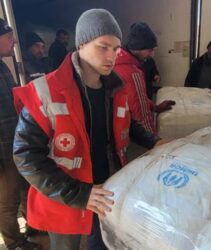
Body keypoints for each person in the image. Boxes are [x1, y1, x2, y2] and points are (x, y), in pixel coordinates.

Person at [12, 9, 162, 250]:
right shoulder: (46, 92)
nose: (111, 56)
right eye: (103, 47)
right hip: (65, 197)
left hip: (107, 189)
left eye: (115, 49)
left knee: (102, 243)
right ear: (81, 44)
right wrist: (79, 194)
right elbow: (26, 156)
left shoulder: (115, 88)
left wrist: (154, 141)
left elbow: (127, 124)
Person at [0, 18, 42, 250]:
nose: (14, 40)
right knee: (7, 201)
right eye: (8, 36)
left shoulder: (2, 66)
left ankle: (33, 225)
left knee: (27, 186)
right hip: (1, 148)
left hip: (15, 142)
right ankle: (14, 243)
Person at [114, 22, 175, 136]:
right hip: (137, 140)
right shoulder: (131, 72)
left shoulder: (123, 64)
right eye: (150, 50)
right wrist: (153, 139)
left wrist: (155, 107)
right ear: (137, 48)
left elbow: (138, 99)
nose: (152, 55)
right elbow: (140, 115)